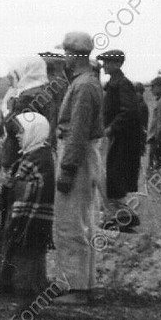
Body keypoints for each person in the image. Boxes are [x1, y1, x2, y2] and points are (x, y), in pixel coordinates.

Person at [52, 31, 103, 304]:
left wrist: (67, 168)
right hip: (83, 154)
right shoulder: (88, 82)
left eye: (66, 53)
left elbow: (78, 131)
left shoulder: (83, 86)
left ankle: (76, 288)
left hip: (77, 155)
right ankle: (80, 282)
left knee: (71, 222)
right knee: (82, 220)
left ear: (74, 54)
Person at [0, 111, 55, 298]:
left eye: (21, 132)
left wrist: (13, 185)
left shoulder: (40, 158)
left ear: (34, 131)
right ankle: (17, 292)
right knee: (23, 257)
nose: (18, 137)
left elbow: (38, 186)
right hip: (27, 218)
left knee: (27, 260)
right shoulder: (31, 155)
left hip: (31, 220)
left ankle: (26, 300)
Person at [97, 50, 140, 231]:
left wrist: (111, 128)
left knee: (113, 178)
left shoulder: (122, 84)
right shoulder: (113, 84)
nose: (104, 65)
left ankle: (120, 216)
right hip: (115, 138)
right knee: (110, 179)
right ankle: (117, 216)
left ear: (117, 64)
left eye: (107, 62)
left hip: (120, 141)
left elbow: (128, 111)